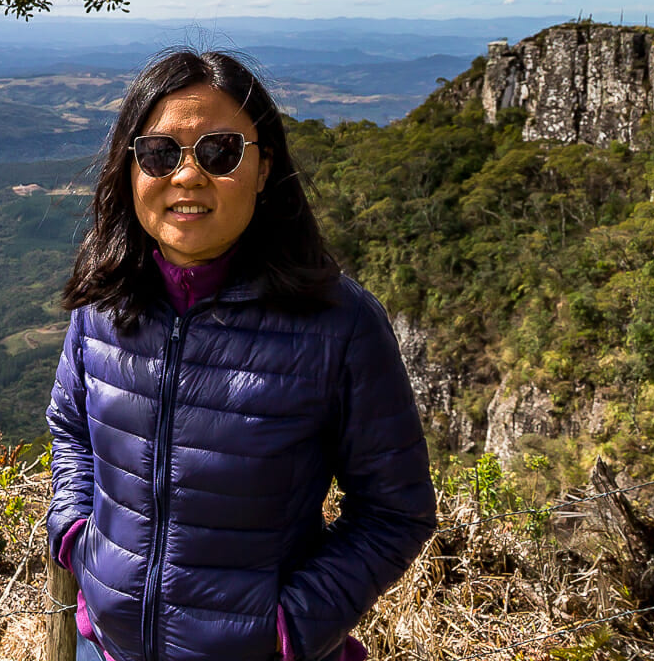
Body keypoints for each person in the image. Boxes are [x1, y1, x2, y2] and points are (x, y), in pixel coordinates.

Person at [46, 50, 437, 661]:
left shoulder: (339, 324)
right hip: (108, 649)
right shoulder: (106, 299)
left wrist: (287, 630)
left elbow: (395, 512)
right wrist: (75, 534)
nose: (187, 176)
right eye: (159, 153)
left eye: (220, 152)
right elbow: (71, 427)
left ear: (262, 170)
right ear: (131, 167)